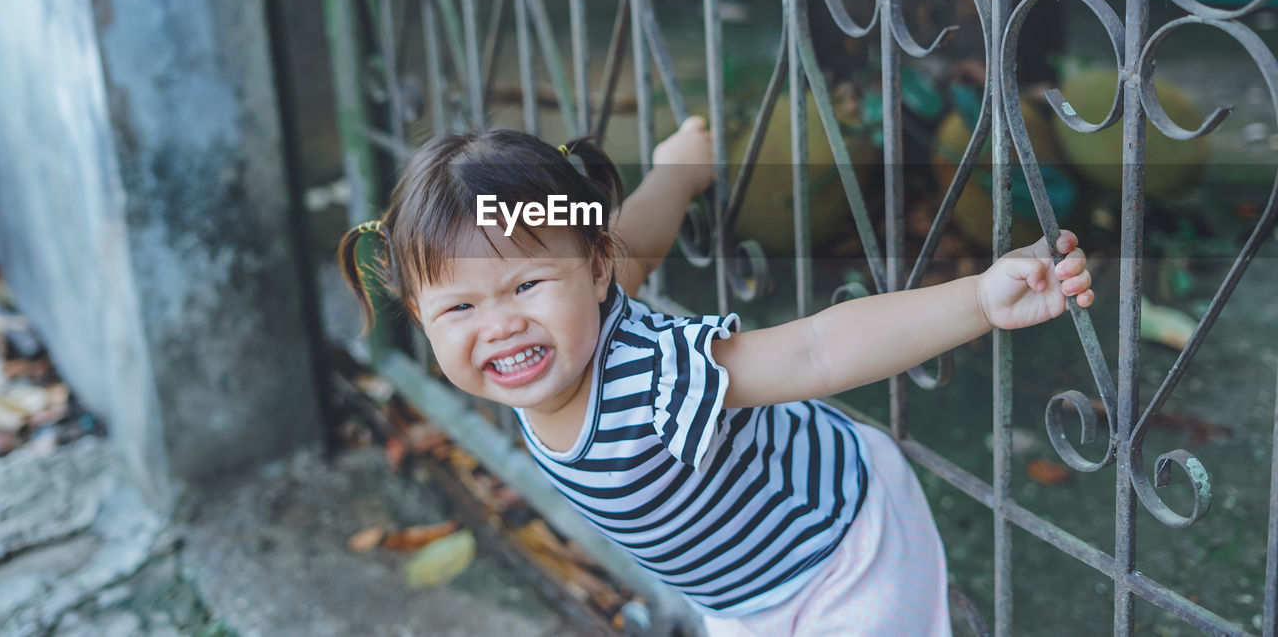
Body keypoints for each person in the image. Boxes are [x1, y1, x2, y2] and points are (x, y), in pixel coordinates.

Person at [338, 116, 1095, 635]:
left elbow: (817, 352)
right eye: (461, 305)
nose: (498, 324)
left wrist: (980, 299)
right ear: (418, 312)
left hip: (839, 545)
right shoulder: (541, 345)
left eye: (526, 287)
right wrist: (678, 171)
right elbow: (637, 234)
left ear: (592, 271)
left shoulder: (653, 372)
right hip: (742, 592)